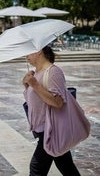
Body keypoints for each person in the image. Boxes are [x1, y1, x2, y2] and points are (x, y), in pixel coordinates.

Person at [22, 46, 81, 176]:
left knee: (36, 168)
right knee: (65, 165)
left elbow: (58, 103)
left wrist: (35, 85)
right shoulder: (36, 72)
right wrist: (27, 85)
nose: (26, 57)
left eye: (28, 53)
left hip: (50, 128)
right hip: (41, 127)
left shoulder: (53, 72)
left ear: (39, 52)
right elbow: (34, 101)